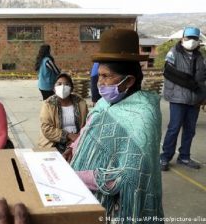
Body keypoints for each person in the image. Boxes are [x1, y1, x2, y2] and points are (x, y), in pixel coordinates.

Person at [65, 29, 164, 221]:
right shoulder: (104, 104)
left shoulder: (143, 116)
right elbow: (88, 131)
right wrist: (72, 148)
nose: (99, 83)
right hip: (86, 197)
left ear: (129, 81)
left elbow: (128, 176)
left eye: (106, 76)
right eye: (98, 75)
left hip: (115, 210)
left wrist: (77, 176)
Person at [160, 26, 206, 171]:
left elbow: (203, 78)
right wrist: (191, 84)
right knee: (174, 128)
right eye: (188, 38)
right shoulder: (174, 53)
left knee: (190, 130)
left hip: (195, 100)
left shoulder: (200, 57)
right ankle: (165, 157)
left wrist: (203, 96)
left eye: (194, 39)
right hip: (178, 98)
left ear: (198, 41)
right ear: (182, 38)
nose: (191, 41)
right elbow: (168, 72)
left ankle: (184, 157)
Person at [38, 73, 88, 153]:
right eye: (59, 84)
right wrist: (68, 135)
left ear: (71, 89)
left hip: (77, 140)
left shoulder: (81, 103)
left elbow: (87, 124)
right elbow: (46, 128)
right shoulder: (48, 104)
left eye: (67, 84)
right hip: (54, 143)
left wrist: (77, 139)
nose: (63, 87)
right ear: (54, 88)